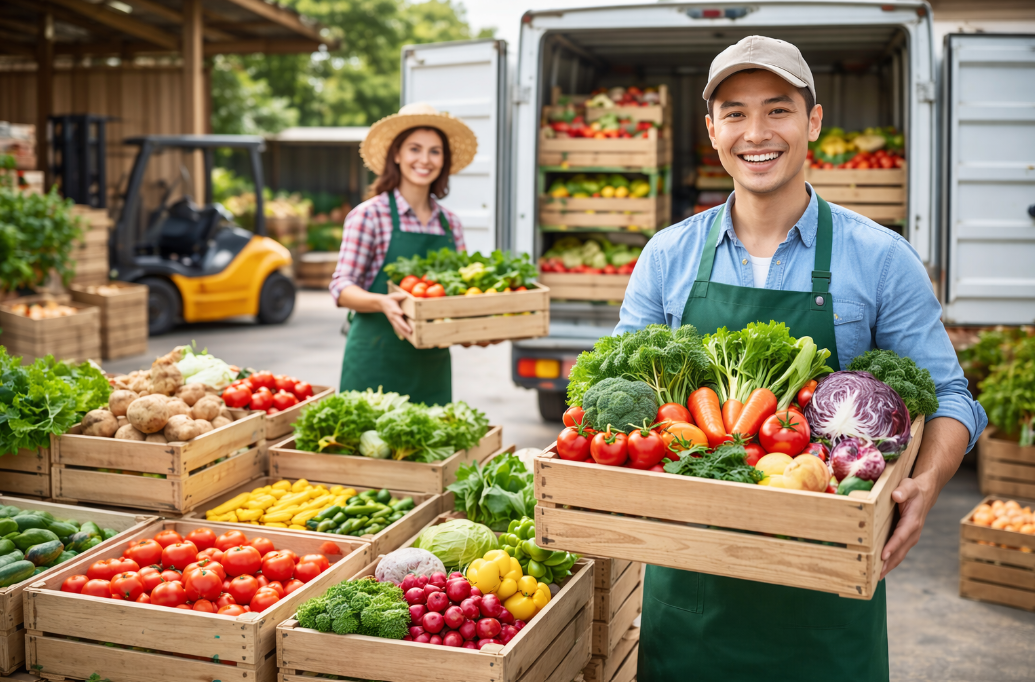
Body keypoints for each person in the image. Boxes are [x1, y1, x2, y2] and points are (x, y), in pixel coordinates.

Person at [617, 36, 987, 681]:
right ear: (712, 130)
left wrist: (925, 483)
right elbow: (623, 388)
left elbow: (950, 397)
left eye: (778, 109)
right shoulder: (668, 255)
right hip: (693, 575)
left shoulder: (879, 257)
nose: (756, 132)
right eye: (734, 112)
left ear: (813, 121)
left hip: (828, 578)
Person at [330, 102, 477, 405]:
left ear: (444, 161)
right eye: (414, 149)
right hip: (374, 359)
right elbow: (342, 288)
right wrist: (382, 302)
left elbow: (458, 295)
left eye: (435, 151)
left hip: (431, 366)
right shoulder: (370, 215)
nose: (425, 159)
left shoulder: (450, 224)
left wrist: (477, 328)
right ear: (396, 154)